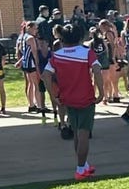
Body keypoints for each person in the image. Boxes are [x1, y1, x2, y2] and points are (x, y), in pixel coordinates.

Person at [42, 23, 103, 180]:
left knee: (76, 132)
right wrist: (101, 92)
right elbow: (97, 70)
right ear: (80, 37)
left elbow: (46, 75)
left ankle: (83, 165)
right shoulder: (87, 53)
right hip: (86, 98)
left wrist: (53, 96)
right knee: (84, 133)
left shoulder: (57, 55)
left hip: (67, 99)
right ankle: (81, 168)